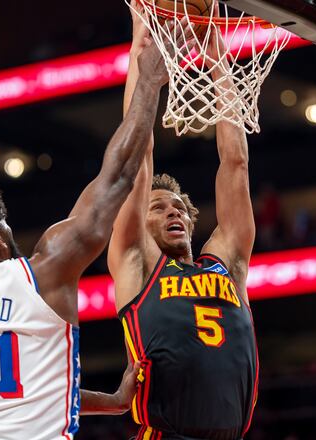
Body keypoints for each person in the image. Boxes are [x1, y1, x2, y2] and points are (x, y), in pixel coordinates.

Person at [0, 29, 170, 440]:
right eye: (6, 224)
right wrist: (149, 81)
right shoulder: (44, 273)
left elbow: (3, 394)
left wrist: (115, 402)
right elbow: (117, 177)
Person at [107, 7, 259, 439]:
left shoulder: (226, 264)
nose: (172, 211)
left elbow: (236, 165)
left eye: (178, 207)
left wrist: (217, 63)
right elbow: (136, 161)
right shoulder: (140, 263)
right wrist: (140, 50)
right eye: (158, 208)